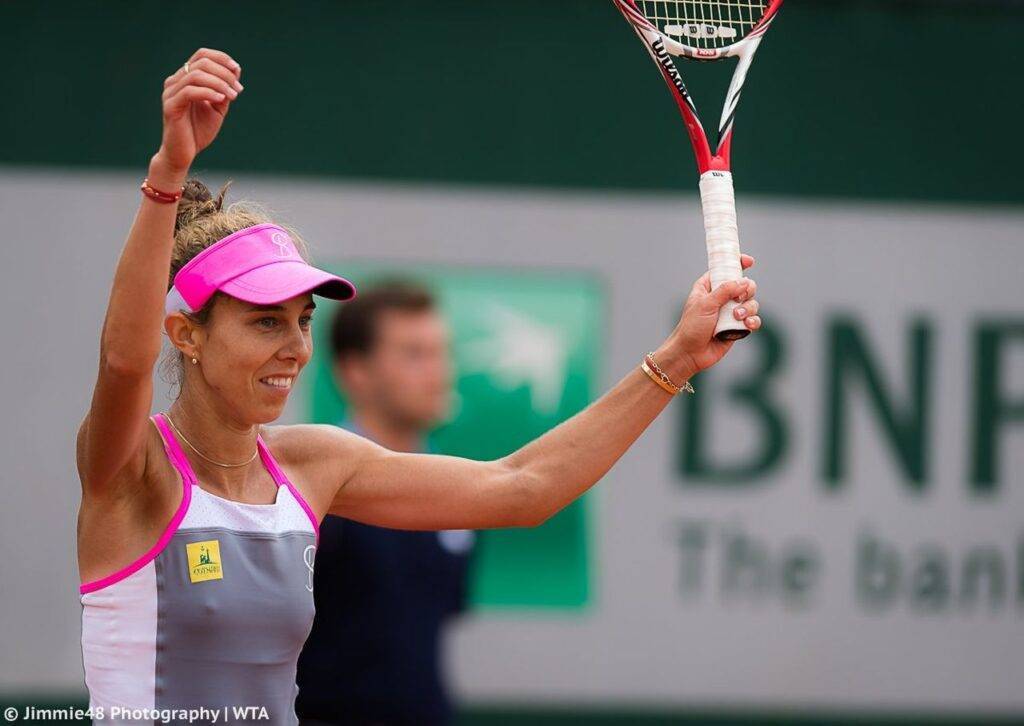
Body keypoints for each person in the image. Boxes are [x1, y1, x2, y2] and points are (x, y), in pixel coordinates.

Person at [76, 48, 761, 725]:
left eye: (303, 321)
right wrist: (168, 174)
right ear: (186, 334)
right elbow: (124, 362)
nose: (295, 347)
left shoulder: (313, 465)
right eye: (264, 322)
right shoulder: (132, 471)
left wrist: (677, 358)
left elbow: (524, 488)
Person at [296, 282, 474, 726]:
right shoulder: (310, 494)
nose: (439, 372)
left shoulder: (462, 492)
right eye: (415, 354)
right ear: (355, 371)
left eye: (441, 352)